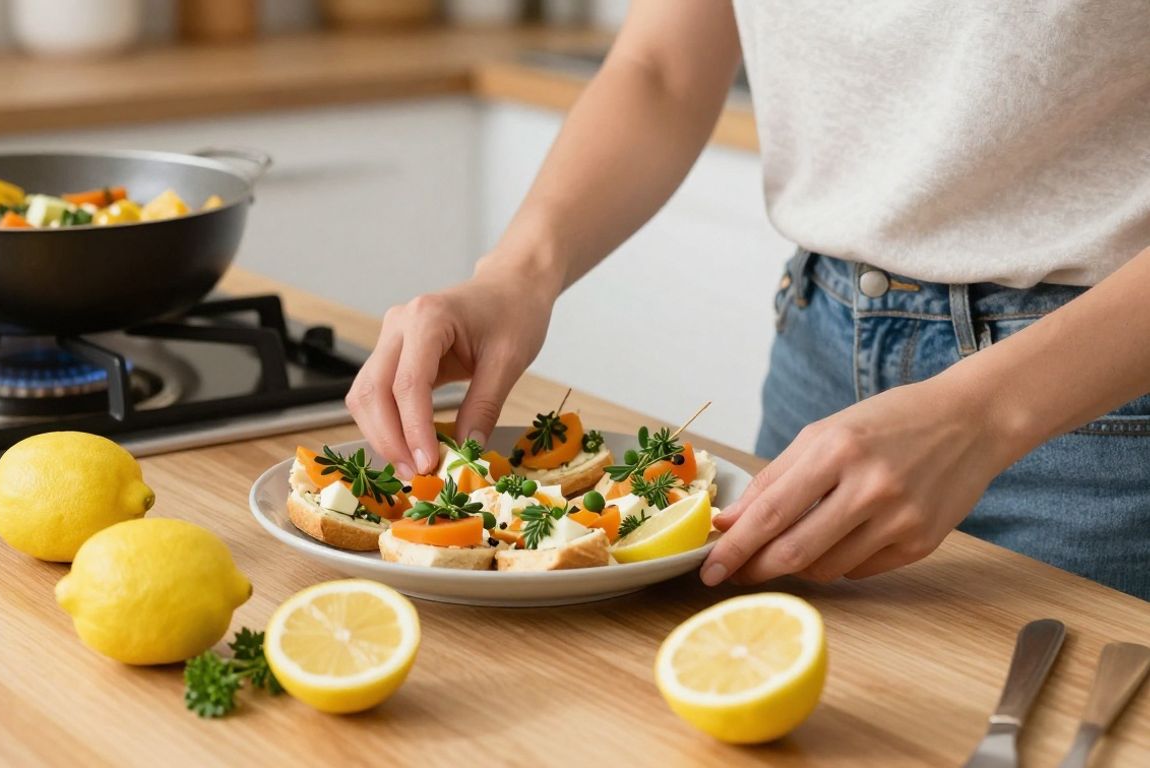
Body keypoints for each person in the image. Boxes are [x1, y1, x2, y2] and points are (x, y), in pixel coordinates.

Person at [344, 1, 1150, 598]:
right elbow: (662, 64)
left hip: (1094, 422)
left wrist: (982, 415)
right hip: (818, 362)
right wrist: (516, 273)